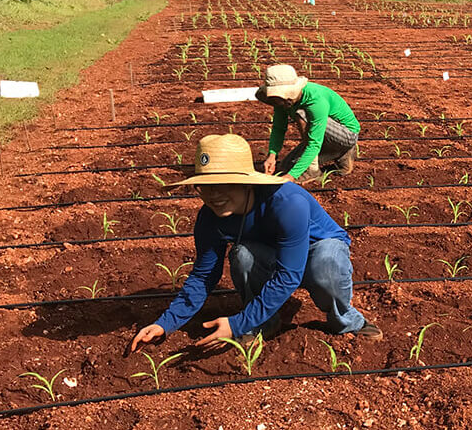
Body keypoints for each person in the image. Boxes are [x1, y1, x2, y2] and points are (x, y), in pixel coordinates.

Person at [131, 134, 381, 353]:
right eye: (205, 187)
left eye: (222, 185)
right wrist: (165, 323)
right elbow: (204, 275)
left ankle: (347, 321)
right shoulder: (210, 218)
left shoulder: (286, 202)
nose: (213, 196)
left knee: (326, 261)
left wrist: (236, 323)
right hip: (272, 255)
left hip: (319, 249)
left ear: (246, 181)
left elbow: (289, 274)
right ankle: (263, 321)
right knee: (242, 256)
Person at [257, 64, 361, 182]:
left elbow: (314, 143)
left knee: (301, 114)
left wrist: (291, 176)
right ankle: (340, 153)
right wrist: (272, 155)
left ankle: (314, 170)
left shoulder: (315, 99)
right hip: (323, 135)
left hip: (347, 134)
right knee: (285, 167)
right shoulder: (280, 100)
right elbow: (279, 128)